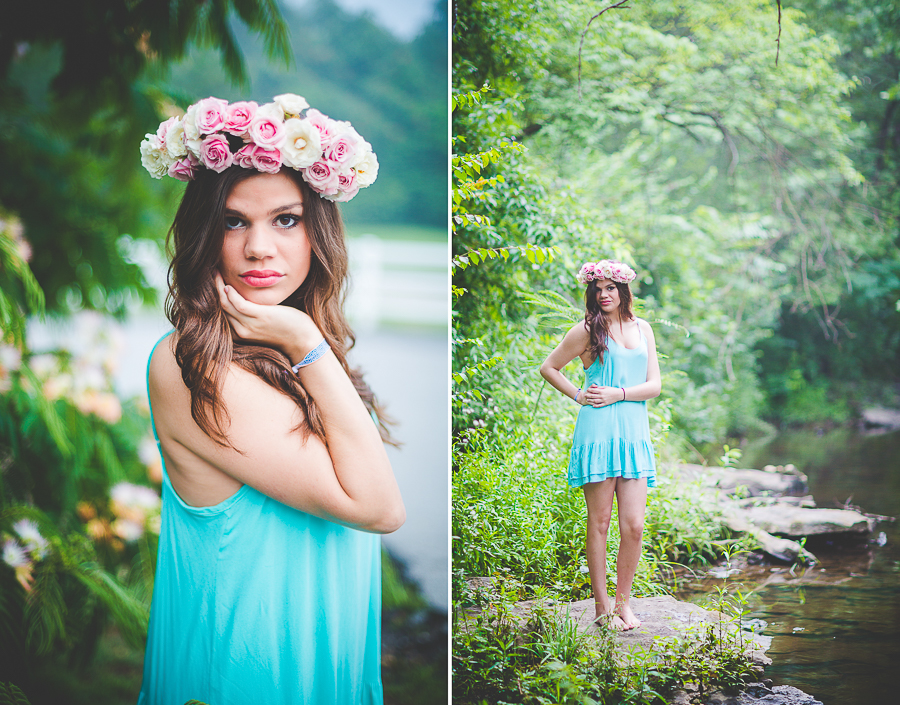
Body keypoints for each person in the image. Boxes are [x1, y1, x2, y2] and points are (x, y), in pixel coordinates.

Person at [136, 94, 405, 704]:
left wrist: (308, 346)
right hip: (242, 676)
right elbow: (380, 507)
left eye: (286, 219)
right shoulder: (190, 365)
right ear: (206, 235)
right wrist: (309, 343)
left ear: (319, 234)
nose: (260, 248)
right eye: (234, 221)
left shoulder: (291, 351)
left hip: (324, 665)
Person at [540, 259, 660, 631]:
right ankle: (601, 607)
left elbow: (654, 385)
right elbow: (549, 367)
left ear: (624, 290)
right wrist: (579, 395)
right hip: (598, 433)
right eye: (598, 288)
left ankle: (625, 605)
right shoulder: (587, 331)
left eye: (610, 287)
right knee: (600, 522)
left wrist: (618, 393)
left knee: (634, 525)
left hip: (634, 434)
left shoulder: (643, 329)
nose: (603, 294)